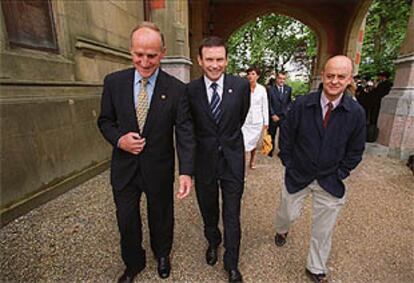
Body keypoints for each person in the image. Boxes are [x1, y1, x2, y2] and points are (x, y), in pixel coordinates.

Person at [97, 22, 195, 283]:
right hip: (124, 168)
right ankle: (133, 263)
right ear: (131, 51)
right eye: (139, 54)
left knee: (161, 215)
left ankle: (162, 254)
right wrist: (119, 140)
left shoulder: (176, 89)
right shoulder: (113, 83)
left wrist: (186, 171)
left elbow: (184, 131)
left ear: (162, 53)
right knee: (126, 219)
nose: (145, 61)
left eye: (151, 55)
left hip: (159, 168)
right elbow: (105, 121)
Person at [275, 55, 366, 283]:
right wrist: (288, 161)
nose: (334, 81)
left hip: (330, 180)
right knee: (287, 212)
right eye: (330, 75)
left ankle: (315, 267)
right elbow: (286, 134)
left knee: (323, 229)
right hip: (298, 174)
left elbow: (356, 150)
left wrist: (341, 172)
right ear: (323, 76)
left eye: (341, 76)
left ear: (349, 80)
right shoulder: (302, 104)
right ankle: (282, 229)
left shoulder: (356, 113)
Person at [186, 36, 250, 283]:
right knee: (208, 208)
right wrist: (188, 168)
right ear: (200, 60)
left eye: (220, 59)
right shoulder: (190, 91)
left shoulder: (241, 86)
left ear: (227, 60)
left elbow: (239, 117)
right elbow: (189, 129)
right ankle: (213, 241)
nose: (215, 65)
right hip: (205, 162)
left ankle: (231, 263)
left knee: (232, 213)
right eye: (209, 59)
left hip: (233, 160)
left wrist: (227, 140)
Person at [241, 66, 269, 169]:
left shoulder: (262, 89)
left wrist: (266, 122)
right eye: (249, 74)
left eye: (253, 74)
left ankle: (252, 161)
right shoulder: (243, 87)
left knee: (253, 143)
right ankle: (241, 166)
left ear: (257, 76)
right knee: (243, 143)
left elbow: (265, 105)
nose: (250, 76)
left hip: (257, 121)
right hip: (245, 121)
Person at [267, 71, 292, 157]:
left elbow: (289, 102)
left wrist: (286, 112)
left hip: (284, 117)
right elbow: (268, 103)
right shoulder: (270, 89)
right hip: (273, 117)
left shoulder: (288, 89)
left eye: (283, 79)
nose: (282, 81)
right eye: (280, 78)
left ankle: (282, 151)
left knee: (283, 135)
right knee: (272, 134)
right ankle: (270, 150)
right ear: (277, 79)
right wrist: (273, 114)